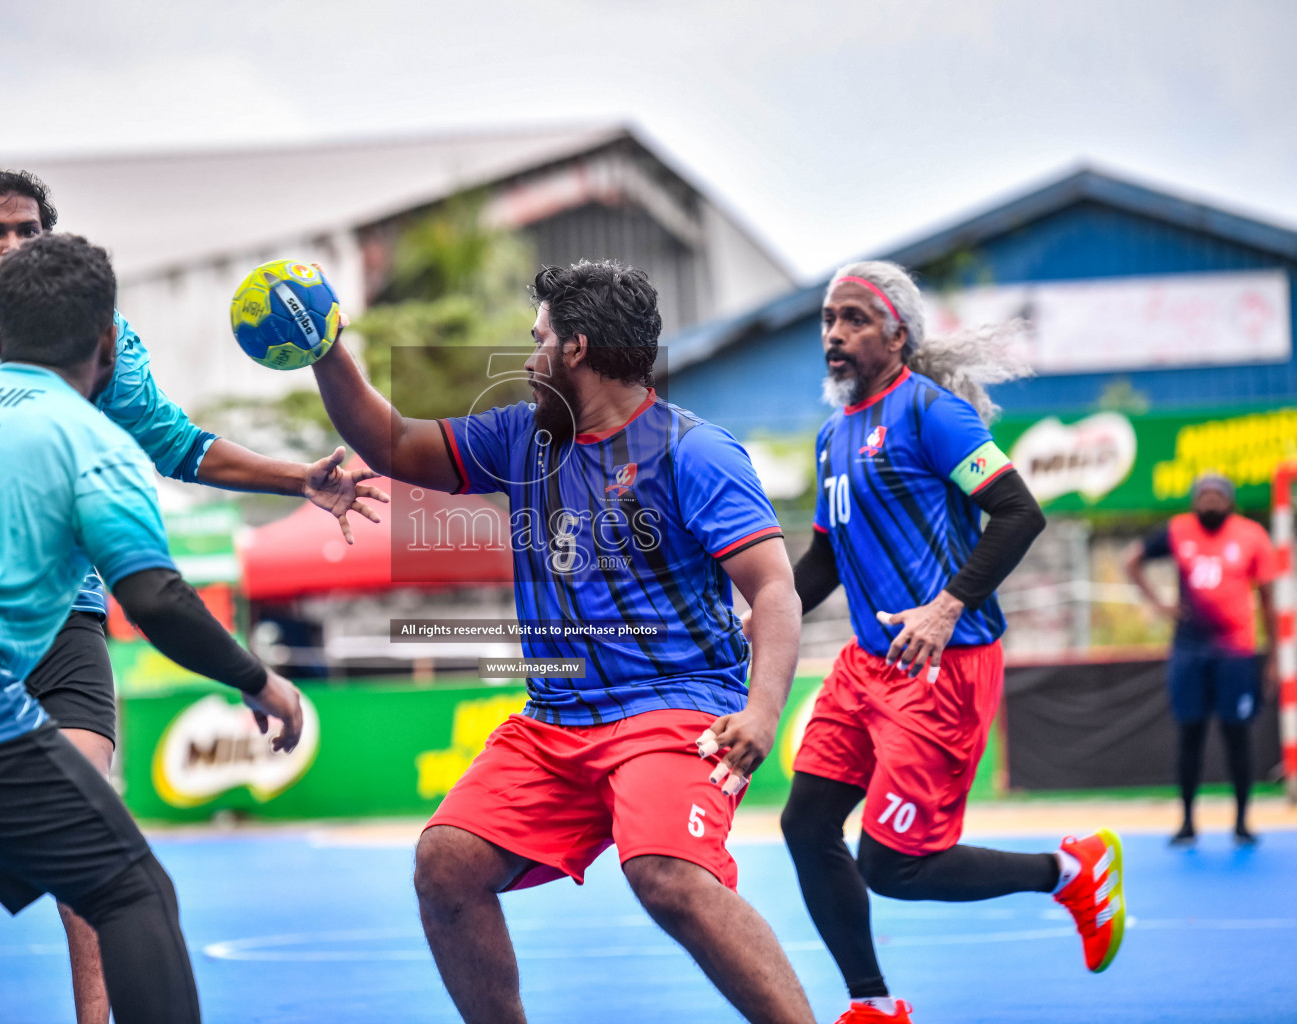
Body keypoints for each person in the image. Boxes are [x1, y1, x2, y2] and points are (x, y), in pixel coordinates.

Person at [0, 168, 383, 1024]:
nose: (11, 246)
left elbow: (173, 440)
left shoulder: (73, 352)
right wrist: (257, 679)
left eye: (26, 231)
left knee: (91, 830)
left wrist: (295, 477)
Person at [308, 259, 815, 1023]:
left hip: (674, 710)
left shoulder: (695, 452)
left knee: (667, 873)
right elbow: (394, 445)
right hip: (557, 721)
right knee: (446, 863)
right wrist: (324, 345)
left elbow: (774, 589)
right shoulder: (523, 438)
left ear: (574, 349)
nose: (526, 357)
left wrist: (763, 712)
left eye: (537, 339)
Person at [769, 260, 1127, 1024]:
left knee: (893, 866)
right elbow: (827, 558)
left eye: (854, 320)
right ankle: (873, 1005)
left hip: (944, 666)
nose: (834, 334)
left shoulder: (933, 414)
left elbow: (1019, 512)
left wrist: (945, 607)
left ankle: (1069, 869)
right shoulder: (834, 434)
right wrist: (761, 626)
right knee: (804, 823)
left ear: (897, 335)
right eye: (828, 319)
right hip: (865, 666)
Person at [1123, 472, 1279, 845]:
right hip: (1189, 651)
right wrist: (1160, 604)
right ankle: (1187, 821)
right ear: (1195, 500)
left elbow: (1269, 598)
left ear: (1229, 500)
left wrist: (1274, 655)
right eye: (1203, 494)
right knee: (1190, 734)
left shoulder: (1251, 536)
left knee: (1237, 735)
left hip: (1236, 653)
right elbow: (1133, 561)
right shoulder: (1178, 530)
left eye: (1217, 495)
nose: (1210, 500)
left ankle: (1242, 821)